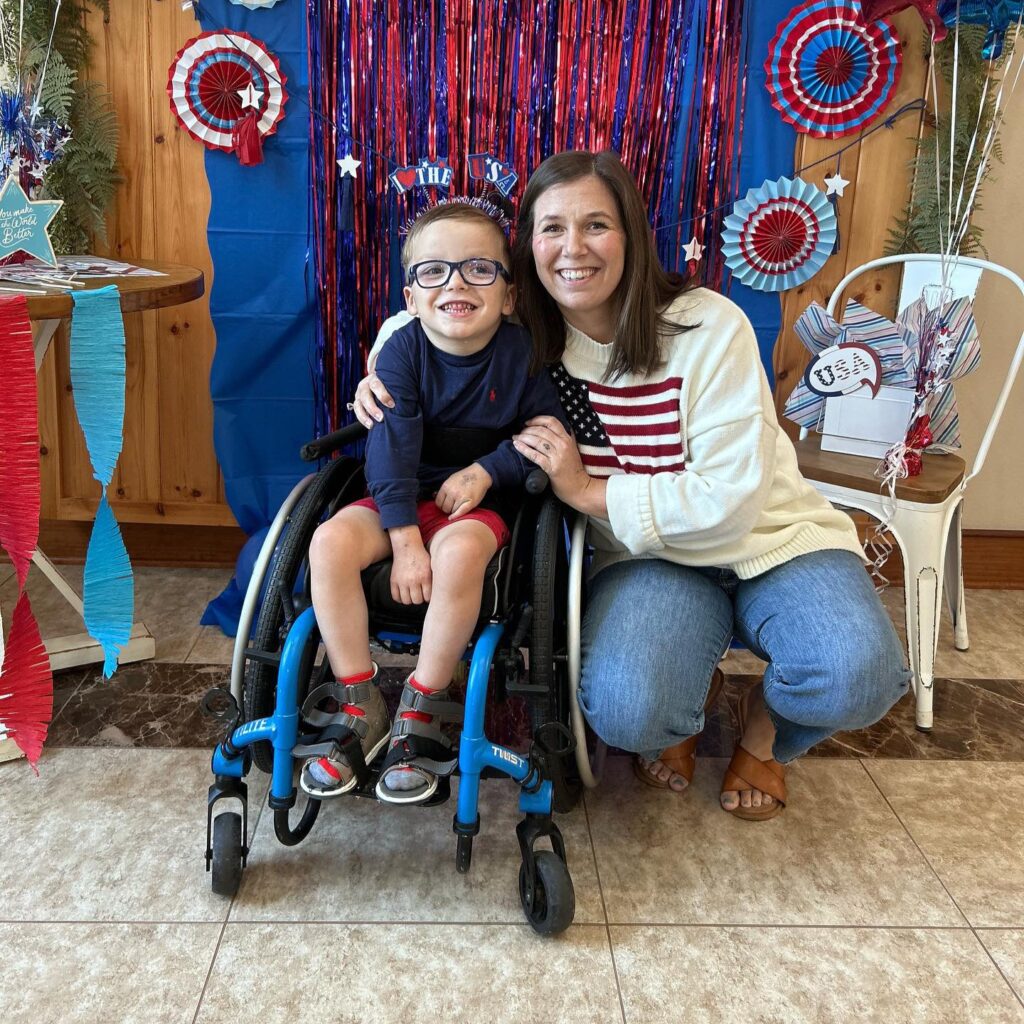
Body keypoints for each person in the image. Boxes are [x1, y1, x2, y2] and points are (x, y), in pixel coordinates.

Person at [355, 151, 910, 821]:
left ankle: (762, 732)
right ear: (525, 248)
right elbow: (417, 325)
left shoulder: (707, 325)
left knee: (860, 676)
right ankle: (687, 694)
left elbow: (730, 508)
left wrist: (588, 492)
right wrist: (376, 373)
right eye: (552, 228)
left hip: (770, 539)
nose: (573, 248)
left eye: (596, 225)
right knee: (630, 711)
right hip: (648, 560)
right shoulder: (519, 334)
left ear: (632, 236)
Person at [301, 199, 565, 806]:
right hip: (400, 493)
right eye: (434, 271)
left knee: (461, 555)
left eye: (479, 269)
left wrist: (488, 468)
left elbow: (546, 436)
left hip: (478, 506)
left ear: (508, 293)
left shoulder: (523, 356)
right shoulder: (403, 352)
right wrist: (402, 539)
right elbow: (389, 451)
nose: (455, 283)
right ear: (412, 298)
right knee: (329, 542)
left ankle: (423, 704)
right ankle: (358, 696)